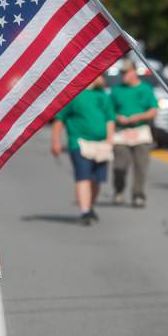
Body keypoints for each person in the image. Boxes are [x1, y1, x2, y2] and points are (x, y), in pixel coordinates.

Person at [51, 75, 115, 225]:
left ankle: (90, 205)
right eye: (99, 75)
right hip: (79, 143)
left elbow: (110, 118)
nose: (102, 78)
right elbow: (59, 119)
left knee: (96, 179)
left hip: (100, 144)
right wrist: (56, 141)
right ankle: (85, 211)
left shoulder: (103, 95)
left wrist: (110, 139)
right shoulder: (74, 94)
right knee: (83, 177)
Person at [110, 60, 158, 208]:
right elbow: (109, 111)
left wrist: (136, 118)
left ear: (134, 72)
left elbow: (153, 111)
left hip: (140, 132)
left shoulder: (145, 89)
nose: (124, 75)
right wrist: (118, 118)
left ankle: (138, 195)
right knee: (120, 166)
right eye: (122, 72)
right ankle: (119, 190)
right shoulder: (116, 90)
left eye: (126, 72)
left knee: (141, 166)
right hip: (122, 132)